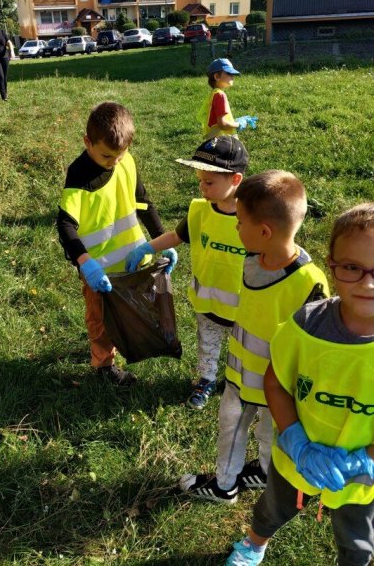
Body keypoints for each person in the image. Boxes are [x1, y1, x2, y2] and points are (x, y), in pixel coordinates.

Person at [225, 202, 374, 566]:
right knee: (272, 509)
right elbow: (276, 382)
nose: (368, 283)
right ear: (332, 264)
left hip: (363, 476)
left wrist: (364, 460)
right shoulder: (305, 325)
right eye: (352, 267)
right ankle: (254, 543)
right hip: (295, 457)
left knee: (357, 540)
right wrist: (294, 439)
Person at [180, 170, 329, 501]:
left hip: (275, 382)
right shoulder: (252, 259)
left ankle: (227, 486)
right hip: (239, 371)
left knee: (254, 428)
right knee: (237, 424)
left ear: (264, 232)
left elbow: (319, 344)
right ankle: (244, 475)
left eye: (240, 222)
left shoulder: (309, 283)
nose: (236, 228)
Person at [126, 135, 249, 410]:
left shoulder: (253, 217)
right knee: (208, 343)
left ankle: (239, 383)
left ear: (235, 180)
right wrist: (147, 248)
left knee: (243, 351)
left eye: (209, 182)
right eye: (200, 180)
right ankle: (206, 379)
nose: (202, 187)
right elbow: (176, 236)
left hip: (245, 308)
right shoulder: (199, 211)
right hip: (208, 302)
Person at [57, 102, 175, 386]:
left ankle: (121, 343)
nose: (114, 162)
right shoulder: (79, 175)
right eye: (106, 156)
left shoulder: (126, 162)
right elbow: (65, 225)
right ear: (87, 142)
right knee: (99, 319)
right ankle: (103, 366)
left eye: (119, 155)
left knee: (127, 310)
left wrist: (161, 240)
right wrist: (86, 264)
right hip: (99, 269)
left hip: (132, 260)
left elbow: (143, 203)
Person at [197, 58, 247, 140]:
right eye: (229, 73)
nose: (232, 76)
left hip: (215, 140)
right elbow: (222, 124)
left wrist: (233, 121)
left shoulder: (214, 94)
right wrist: (238, 124)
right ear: (217, 76)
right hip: (223, 141)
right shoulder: (220, 95)